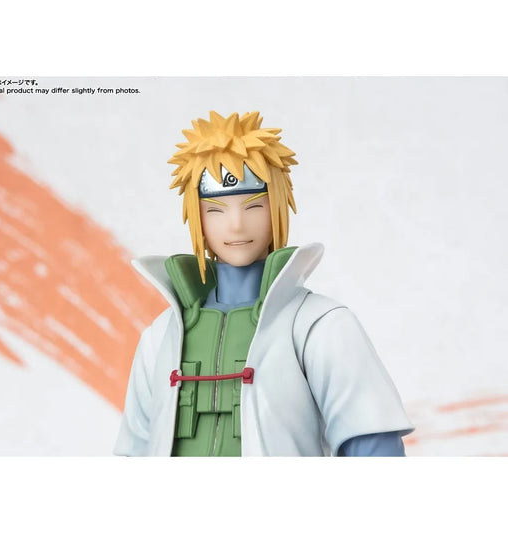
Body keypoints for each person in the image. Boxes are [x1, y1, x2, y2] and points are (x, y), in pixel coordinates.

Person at [114, 111, 413, 456]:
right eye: (215, 210)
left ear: (277, 207)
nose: (236, 225)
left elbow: (371, 441)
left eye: (253, 207)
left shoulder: (318, 325)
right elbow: (135, 448)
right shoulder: (162, 334)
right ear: (197, 218)